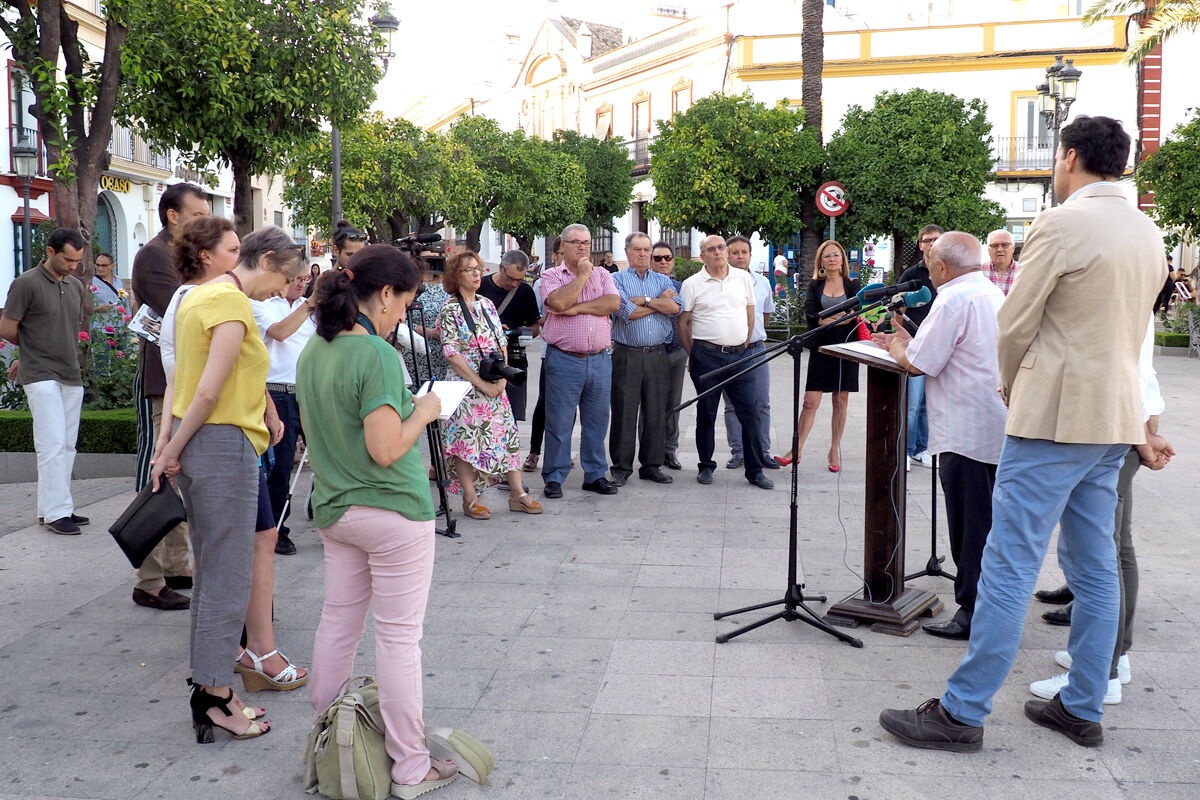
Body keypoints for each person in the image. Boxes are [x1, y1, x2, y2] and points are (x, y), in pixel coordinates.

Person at [879, 115, 1172, 751]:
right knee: (1096, 569)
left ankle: (962, 711)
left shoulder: (1061, 223)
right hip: (1112, 418)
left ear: (1069, 156)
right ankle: (1082, 704)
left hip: (1055, 416)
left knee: (1009, 564)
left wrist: (1013, 384)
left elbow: (1014, 325)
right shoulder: (1148, 231)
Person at [298, 245, 459, 799]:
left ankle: (328, 748)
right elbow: (387, 448)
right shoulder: (377, 356)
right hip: (392, 512)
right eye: (403, 304)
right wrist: (426, 409)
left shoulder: (313, 352)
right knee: (398, 640)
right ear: (385, 294)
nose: (399, 318)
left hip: (336, 509)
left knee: (337, 625)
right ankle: (411, 767)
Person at [150, 225, 307, 743]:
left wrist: (168, 444)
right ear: (265, 262)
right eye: (286, 278)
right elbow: (209, 391)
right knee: (226, 579)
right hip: (222, 444)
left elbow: (181, 378)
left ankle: (212, 687)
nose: (284, 291)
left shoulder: (197, 298)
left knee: (215, 574)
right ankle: (215, 695)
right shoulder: (232, 304)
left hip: (205, 443)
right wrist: (168, 449)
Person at [1027, 317, 1169, 704]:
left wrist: (1144, 439)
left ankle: (1100, 671)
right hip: (1129, 427)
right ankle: (1112, 658)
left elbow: (1131, 377)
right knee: (1116, 548)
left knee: (1102, 553)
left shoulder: (1124, 289)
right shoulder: (1133, 282)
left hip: (1120, 428)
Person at [874, 232, 1007, 640]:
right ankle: (988, 603)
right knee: (986, 521)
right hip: (993, 427)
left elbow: (918, 364)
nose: (928, 272)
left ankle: (971, 611)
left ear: (944, 267)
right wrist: (909, 340)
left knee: (969, 525)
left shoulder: (951, 298)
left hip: (964, 432)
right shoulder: (987, 292)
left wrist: (897, 344)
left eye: (930, 264)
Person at [130, 182, 210, 610]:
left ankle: (177, 566)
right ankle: (149, 577)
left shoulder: (184, 257)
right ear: (172, 216)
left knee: (178, 477)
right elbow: (185, 315)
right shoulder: (154, 256)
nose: (204, 222)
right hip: (165, 382)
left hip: (187, 381)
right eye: (196, 215)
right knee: (157, 475)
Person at [439, 251, 543, 518]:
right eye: (469, 270)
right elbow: (452, 353)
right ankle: (470, 498)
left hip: (495, 383)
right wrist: (480, 384)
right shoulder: (450, 309)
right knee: (465, 442)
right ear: (455, 276)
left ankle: (517, 493)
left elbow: (501, 342)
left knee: (507, 436)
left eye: (478, 268)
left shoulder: (486, 304)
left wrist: (502, 377)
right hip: (466, 386)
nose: (476, 274)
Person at [0, 228, 88, 535]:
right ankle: (56, 512)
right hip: (39, 372)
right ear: (50, 252)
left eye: (78, 260)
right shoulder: (25, 283)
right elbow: (8, 327)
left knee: (66, 444)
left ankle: (53, 506)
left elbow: (67, 327)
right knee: (50, 443)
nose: (73, 266)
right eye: (68, 259)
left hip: (70, 371)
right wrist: (28, 351)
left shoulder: (75, 286)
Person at [678, 234, 773, 490]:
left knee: (750, 413)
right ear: (703, 255)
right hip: (706, 357)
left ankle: (754, 471)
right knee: (706, 413)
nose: (718, 252)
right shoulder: (692, 284)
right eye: (712, 249)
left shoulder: (743, 278)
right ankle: (706, 466)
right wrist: (693, 354)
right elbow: (683, 323)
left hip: (740, 357)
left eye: (721, 247)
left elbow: (750, 313)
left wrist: (742, 341)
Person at [539, 224, 621, 499]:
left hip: (599, 359)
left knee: (597, 422)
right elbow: (559, 303)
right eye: (576, 242)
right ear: (563, 246)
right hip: (564, 360)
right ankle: (554, 476)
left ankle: (595, 474)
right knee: (560, 423)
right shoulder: (551, 275)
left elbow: (612, 304)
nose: (583, 247)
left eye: (586, 242)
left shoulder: (603, 274)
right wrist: (582, 276)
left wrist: (578, 307)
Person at [774, 241, 860, 473]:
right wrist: (835, 318)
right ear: (820, 261)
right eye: (827, 256)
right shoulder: (814, 285)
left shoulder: (853, 284)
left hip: (847, 347)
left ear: (842, 259)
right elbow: (811, 314)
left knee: (840, 400)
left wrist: (831, 319)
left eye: (836, 255)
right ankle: (797, 449)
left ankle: (834, 449)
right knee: (810, 401)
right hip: (822, 347)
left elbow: (856, 312)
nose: (832, 259)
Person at [252, 268, 317, 556]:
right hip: (278, 391)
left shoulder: (311, 311)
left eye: (305, 280)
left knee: (328, 452)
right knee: (280, 465)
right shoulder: (264, 306)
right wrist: (310, 305)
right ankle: (277, 528)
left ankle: (325, 507)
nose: (301, 285)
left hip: (308, 389)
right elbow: (280, 333)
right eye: (296, 279)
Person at [608, 232, 680, 486]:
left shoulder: (662, 279)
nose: (642, 254)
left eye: (646, 250)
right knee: (624, 411)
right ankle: (621, 467)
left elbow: (675, 308)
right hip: (627, 354)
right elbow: (626, 312)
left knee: (656, 411)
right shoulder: (615, 279)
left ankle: (651, 465)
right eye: (637, 250)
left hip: (658, 353)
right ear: (627, 252)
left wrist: (646, 301)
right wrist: (659, 302)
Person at [723, 235, 775, 470]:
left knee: (762, 403)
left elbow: (765, 316)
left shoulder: (762, 283)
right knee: (733, 405)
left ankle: (762, 451)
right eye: (735, 252)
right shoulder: (722, 283)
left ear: (750, 255)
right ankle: (739, 452)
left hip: (756, 350)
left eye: (744, 252)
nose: (740, 256)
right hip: (730, 351)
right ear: (727, 255)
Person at [477, 249, 541, 420]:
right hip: (484, 361)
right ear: (501, 268)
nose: (514, 284)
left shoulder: (525, 292)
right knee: (484, 417)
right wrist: (495, 331)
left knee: (511, 419)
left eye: (519, 280)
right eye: (511, 278)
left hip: (515, 361)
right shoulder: (480, 287)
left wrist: (520, 333)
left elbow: (536, 326)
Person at [900, 224, 942, 468]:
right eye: (928, 240)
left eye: (937, 239)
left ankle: (921, 448)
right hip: (915, 344)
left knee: (929, 403)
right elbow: (899, 310)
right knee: (913, 403)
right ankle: (905, 449)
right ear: (921, 245)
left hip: (938, 345)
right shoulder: (911, 275)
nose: (932, 244)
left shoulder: (948, 271)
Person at [522, 237, 562, 473]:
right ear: (556, 254)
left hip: (578, 353)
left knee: (569, 407)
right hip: (552, 352)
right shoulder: (542, 283)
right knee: (545, 402)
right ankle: (534, 451)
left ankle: (561, 452)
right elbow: (536, 317)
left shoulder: (587, 278)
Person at [652, 242, 686, 471]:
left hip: (676, 351)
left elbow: (688, 319)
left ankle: (669, 449)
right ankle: (650, 450)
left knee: (673, 403)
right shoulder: (643, 286)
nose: (663, 262)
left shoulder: (681, 287)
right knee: (649, 404)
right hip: (650, 352)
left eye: (667, 257)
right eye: (658, 258)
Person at [983, 229, 1020, 296]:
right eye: (994, 245)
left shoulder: (1024, 271)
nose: (999, 249)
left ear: (1013, 249)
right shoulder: (979, 272)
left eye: (1005, 245)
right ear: (988, 250)